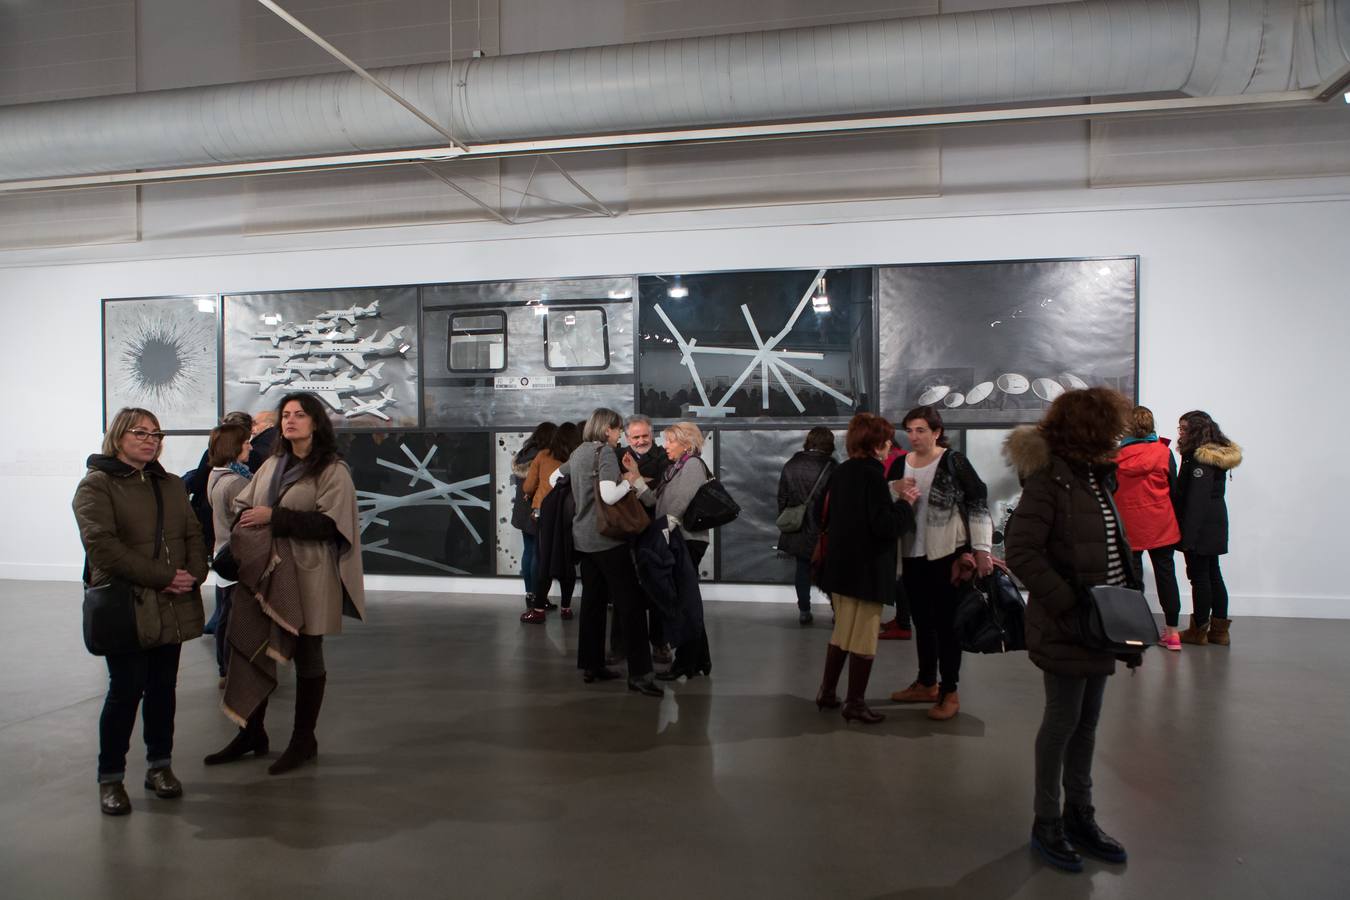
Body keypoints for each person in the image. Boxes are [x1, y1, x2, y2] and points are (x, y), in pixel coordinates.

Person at [1003, 386, 1137, 874]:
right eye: (1110, 427)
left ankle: (1081, 815)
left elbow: (1111, 548)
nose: (1117, 435)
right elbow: (1021, 553)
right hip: (1068, 625)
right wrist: (1068, 604)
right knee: (1062, 722)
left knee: (1086, 723)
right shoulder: (1049, 483)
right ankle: (1047, 821)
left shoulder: (1094, 479)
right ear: (1089, 430)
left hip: (1099, 625)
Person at [204, 391, 366, 775]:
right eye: (286, 415)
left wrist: (275, 518)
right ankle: (252, 731)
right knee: (252, 646)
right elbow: (246, 506)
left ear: (316, 422)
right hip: (263, 572)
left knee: (308, 655)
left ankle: (302, 739)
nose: (290, 420)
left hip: (308, 574)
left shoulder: (332, 470)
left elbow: (332, 525)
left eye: (299, 414)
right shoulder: (272, 463)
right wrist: (251, 521)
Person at [72, 408, 207, 816]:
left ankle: (159, 767)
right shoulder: (96, 486)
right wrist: (163, 576)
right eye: (140, 433)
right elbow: (103, 549)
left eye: (156, 434)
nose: (150, 440)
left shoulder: (168, 484)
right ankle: (110, 778)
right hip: (127, 606)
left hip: (172, 603)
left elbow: (193, 532)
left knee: (163, 689)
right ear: (118, 436)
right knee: (125, 691)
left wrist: (193, 575)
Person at [889, 406, 993, 721]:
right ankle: (926, 682)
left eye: (921, 430)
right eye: (909, 430)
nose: (914, 436)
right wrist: (894, 490)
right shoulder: (899, 463)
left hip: (946, 553)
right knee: (923, 621)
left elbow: (977, 501)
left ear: (936, 431)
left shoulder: (953, 461)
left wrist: (981, 548)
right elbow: (886, 505)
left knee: (948, 624)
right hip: (911, 554)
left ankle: (950, 690)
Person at [551, 407, 662, 697]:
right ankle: (640, 675)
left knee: (593, 602)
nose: (619, 435)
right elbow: (608, 495)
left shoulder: (578, 453)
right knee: (632, 605)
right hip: (607, 541)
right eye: (618, 429)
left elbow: (553, 479)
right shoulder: (606, 454)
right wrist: (630, 480)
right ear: (607, 429)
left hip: (583, 539)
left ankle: (592, 665)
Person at [814, 413, 917, 724]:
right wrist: (905, 504)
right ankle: (855, 703)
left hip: (841, 568)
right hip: (868, 569)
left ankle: (828, 692)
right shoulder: (873, 475)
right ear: (877, 444)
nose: (890, 444)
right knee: (864, 638)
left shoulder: (842, 471)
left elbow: (825, 513)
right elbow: (885, 526)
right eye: (886, 439)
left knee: (842, 632)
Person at [629, 421, 713, 680]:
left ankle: (685, 663)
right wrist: (638, 482)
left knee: (683, 603)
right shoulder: (677, 468)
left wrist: (663, 534)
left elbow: (678, 504)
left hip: (684, 540)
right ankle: (699, 661)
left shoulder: (692, 465)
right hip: (676, 538)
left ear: (686, 443)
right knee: (687, 602)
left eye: (670, 441)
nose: (665, 447)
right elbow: (658, 502)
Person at [1114, 405, 1183, 650]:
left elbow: (1109, 493)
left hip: (1129, 525)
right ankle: (1173, 633)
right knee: (1167, 576)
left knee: (1132, 579)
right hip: (1161, 523)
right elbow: (1175, 490)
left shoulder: (1115, 457)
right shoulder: (1164, 453)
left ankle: (1136, 631)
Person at [1174, 410, 1242, 646]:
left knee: (1200, 577)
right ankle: (1220, 631)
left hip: (1201, 525)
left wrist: (1188, 538)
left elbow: (1196, 501)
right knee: (1213, 574)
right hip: (1215, 521)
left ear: (1195, 430)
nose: (1180, 432)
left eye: (1184, 428)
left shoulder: (1200, 458)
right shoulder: (1214, 454)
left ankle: (1199, 630)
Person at [617, 414, 671, 660]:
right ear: (627, 437)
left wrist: (633, 480)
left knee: (658, 589)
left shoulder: (664, 457)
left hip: (654, 531)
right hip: (623, 533)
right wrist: (640, 482)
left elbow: (660, 492)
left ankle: (660, 643)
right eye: (635, 437)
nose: (640, 441)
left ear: (652, 434)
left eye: (644, 436)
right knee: (624, 591)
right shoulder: (616, 457)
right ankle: (621, 646)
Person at [206, 422, 253, 686]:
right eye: (246, 442)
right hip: (235, 557)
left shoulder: (217, 475)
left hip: (224, 554)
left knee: (226, 614)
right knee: (233, 618)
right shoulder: (236, 482)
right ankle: (229, 669)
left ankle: (226, 667)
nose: (250, 446)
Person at [776, 427, 837, 625]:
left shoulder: (791, 465)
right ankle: (837, 611)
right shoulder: (832, 466)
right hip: (824, 528)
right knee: (830, 571)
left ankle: (804, 610)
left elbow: (782, 498)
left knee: (802, 569)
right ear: (829, 444)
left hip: (799, 527)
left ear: (808, 441)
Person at [520, 422, 580, 623]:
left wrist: (530, 494)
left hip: (544, 513)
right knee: (567, 562)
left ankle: (537, 608)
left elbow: (528, 486)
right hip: (571, 515)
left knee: (543, 560)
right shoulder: (578, 457)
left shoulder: (543, 455)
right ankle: (566, 608)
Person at [513, 422, 557, 611]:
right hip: (536, 509)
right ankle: (538, 597)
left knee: (529, 551)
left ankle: (530, 594)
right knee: (538, 554)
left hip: (522, 510)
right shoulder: (543, 456)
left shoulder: (523, 453)